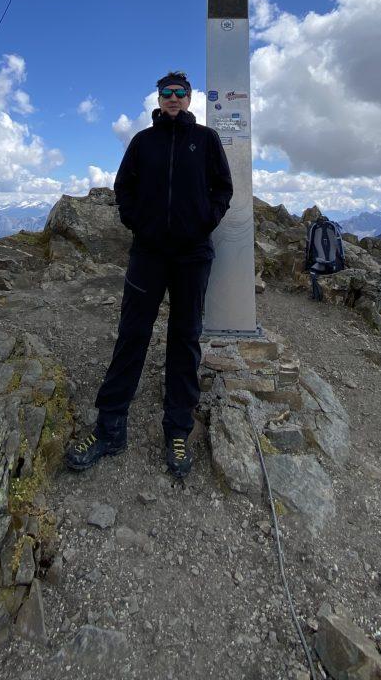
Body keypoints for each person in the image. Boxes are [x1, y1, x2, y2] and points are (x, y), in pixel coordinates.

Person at [65, 70, 233, 478]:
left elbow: (223, 189)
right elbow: (124, 188)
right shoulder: (142, 141)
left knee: (185, 338)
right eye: (166, 92)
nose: (173, 98)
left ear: (189, 98)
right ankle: (109, 428)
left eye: (179, 92)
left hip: (192, 255)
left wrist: (204, 221)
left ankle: (177, 430)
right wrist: (138, 222)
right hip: (148, 254)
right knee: (132, 335)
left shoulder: (206, 140)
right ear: (159, 99)